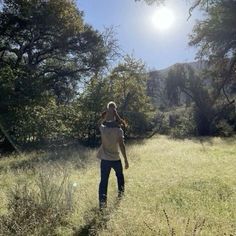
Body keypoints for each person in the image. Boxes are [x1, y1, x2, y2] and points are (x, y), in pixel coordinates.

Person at [97, 101, 129, 209]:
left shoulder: (103, 129)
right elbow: (122, 146)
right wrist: (126, 160)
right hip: (116, 159)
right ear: (116, 111)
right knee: (120, 177)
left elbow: (99, 123)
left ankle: (102, 204)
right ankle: (120, 197)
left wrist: (107, 113)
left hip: (105, 160)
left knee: (103, 181)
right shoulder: (118, 130)